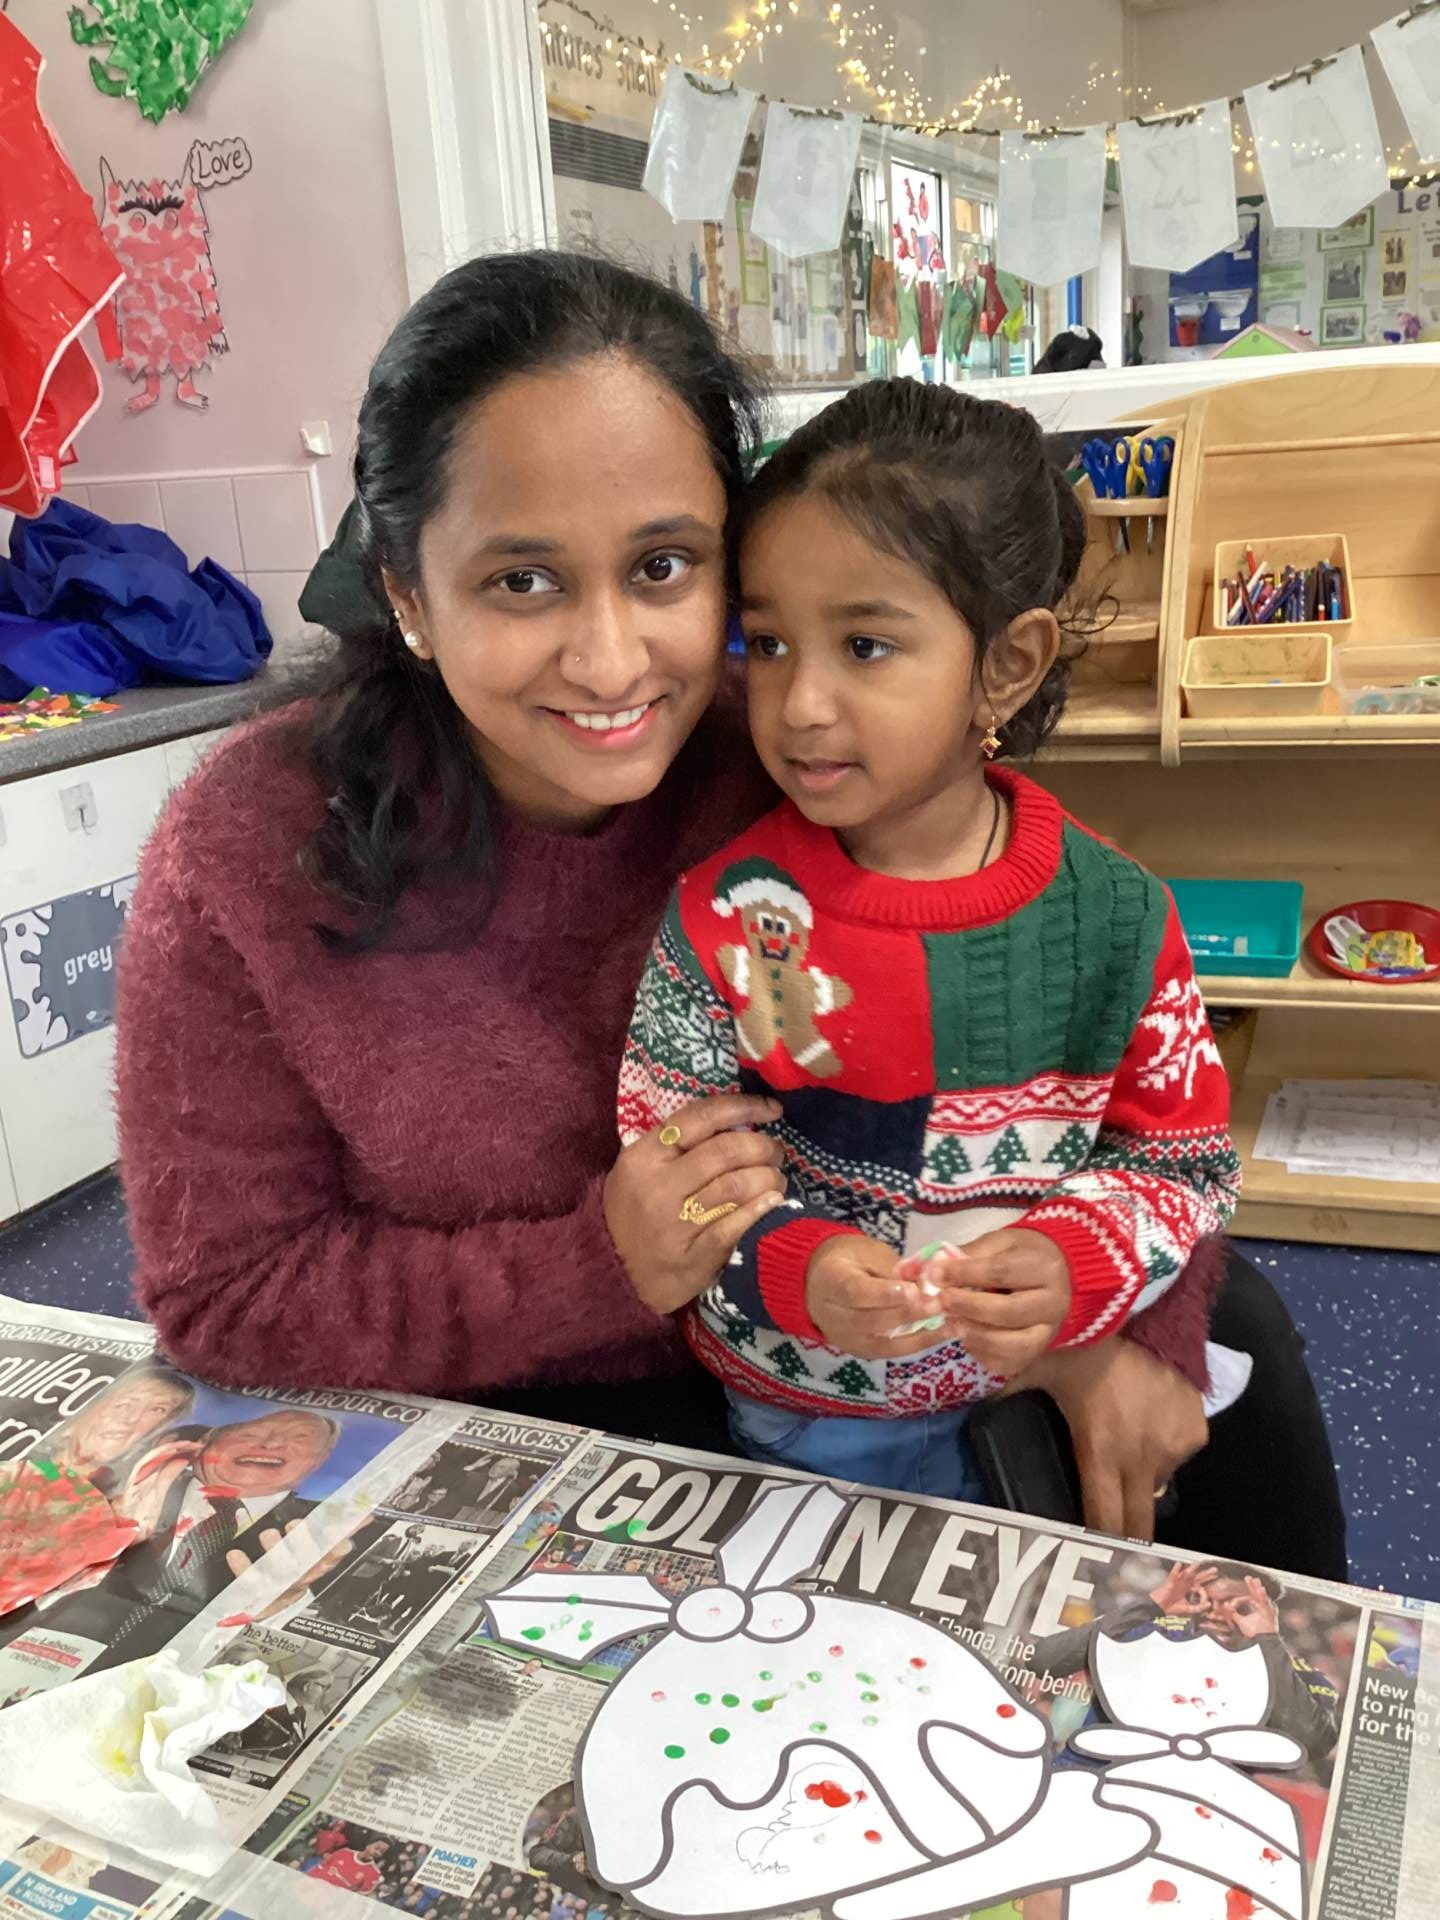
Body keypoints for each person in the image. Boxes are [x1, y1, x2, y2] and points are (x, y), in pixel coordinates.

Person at [113, 249, 1342, 1573]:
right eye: (521, 581)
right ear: (409, 592)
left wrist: (1101, 1328)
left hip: (879, 1343)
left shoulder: (794, 749)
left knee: (1242, 1366)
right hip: (517, 1394)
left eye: (663, 567)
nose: (610, 662)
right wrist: (597, 1264)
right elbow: (224, 1292)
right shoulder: (250, 848)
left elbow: (1102, 1077)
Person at [616, 380, 1238, 1499]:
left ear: (1006, 665)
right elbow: (666, 1157)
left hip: (1022, 1404)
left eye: (865, 644)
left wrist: (1074, 1260)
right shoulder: (724, 911)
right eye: (768, 642)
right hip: (799, 1418)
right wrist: (797, 1269)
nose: (799, 703)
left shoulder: (1119, 917)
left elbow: (1179, 1161)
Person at [1034, 1559, 1340, 1766]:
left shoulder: (1297, 1677)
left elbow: (1313, 1744)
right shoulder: (1149, 1633)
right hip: (1090, 1777)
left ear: (1266, 1612)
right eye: (1201, 1600)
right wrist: (1152, 1605)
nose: (1216, 1614)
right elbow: (1043, 1661)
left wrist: (1267, 1640)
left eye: (1239, 1607)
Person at [41, 1365, 194, 1493]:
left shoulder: (122, 1498)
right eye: (123, 1404)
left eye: (157, 1410)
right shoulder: (32, 1466)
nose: (133, 1418)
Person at [306, 1837, 389, 1894]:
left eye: (381, 1852)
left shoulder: (374, 1873)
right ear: (368, 1845)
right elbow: (319, 1868)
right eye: (376, 1848)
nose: (377, 1853)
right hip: (312, 1888)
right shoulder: (344, 1852)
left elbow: (360, 1895)